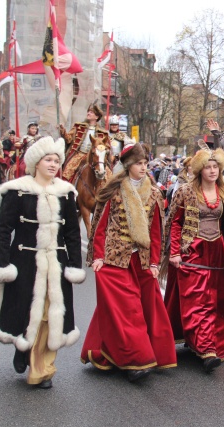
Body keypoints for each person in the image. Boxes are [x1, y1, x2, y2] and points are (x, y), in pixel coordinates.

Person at [0, 136, 85, 389]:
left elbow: (72, 234)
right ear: (36, 162)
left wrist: (75, 265)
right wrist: (3, 265)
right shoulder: (16, 190)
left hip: (56, 263)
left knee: (49, 314)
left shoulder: (66, 193)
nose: (53, 164)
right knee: (23, 310)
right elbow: (3, 231)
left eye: (57, 160)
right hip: (24, 262)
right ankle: (23, 349)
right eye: (48, 160)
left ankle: (42, 368)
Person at [81, 143, 177, 382]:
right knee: (127, 309)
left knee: (148, 306)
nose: (144, 168)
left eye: (146, 163)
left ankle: (105, 350)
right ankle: (135, 360)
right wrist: (97, 257)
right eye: (138, 163)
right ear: (127, 166)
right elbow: (100, 225)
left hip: (142, 259)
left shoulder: (154, 194)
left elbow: (157, 232)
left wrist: (155, 263)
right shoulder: (112, 190)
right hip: (114, 258)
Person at [162, 145, 224, 372]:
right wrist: (174, 252)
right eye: (208, 167)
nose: (213, 171)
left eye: (216, 167)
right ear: (200, 170)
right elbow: (174, 223)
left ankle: (219, 341)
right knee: (197, 301)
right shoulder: (185, 191)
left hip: (218, 251)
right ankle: (206, 349)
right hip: (192, 250)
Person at [59, 104, 109, 181]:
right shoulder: (79, 126)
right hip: (80, 154)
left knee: (108, 176)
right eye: (88, 111)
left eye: (91, 112)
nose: (88, 113)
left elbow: (107, 147)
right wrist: (63, 131)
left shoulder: (103, 133)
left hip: (94, 157)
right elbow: (69, 139)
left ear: (96, 117)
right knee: (67, 172)